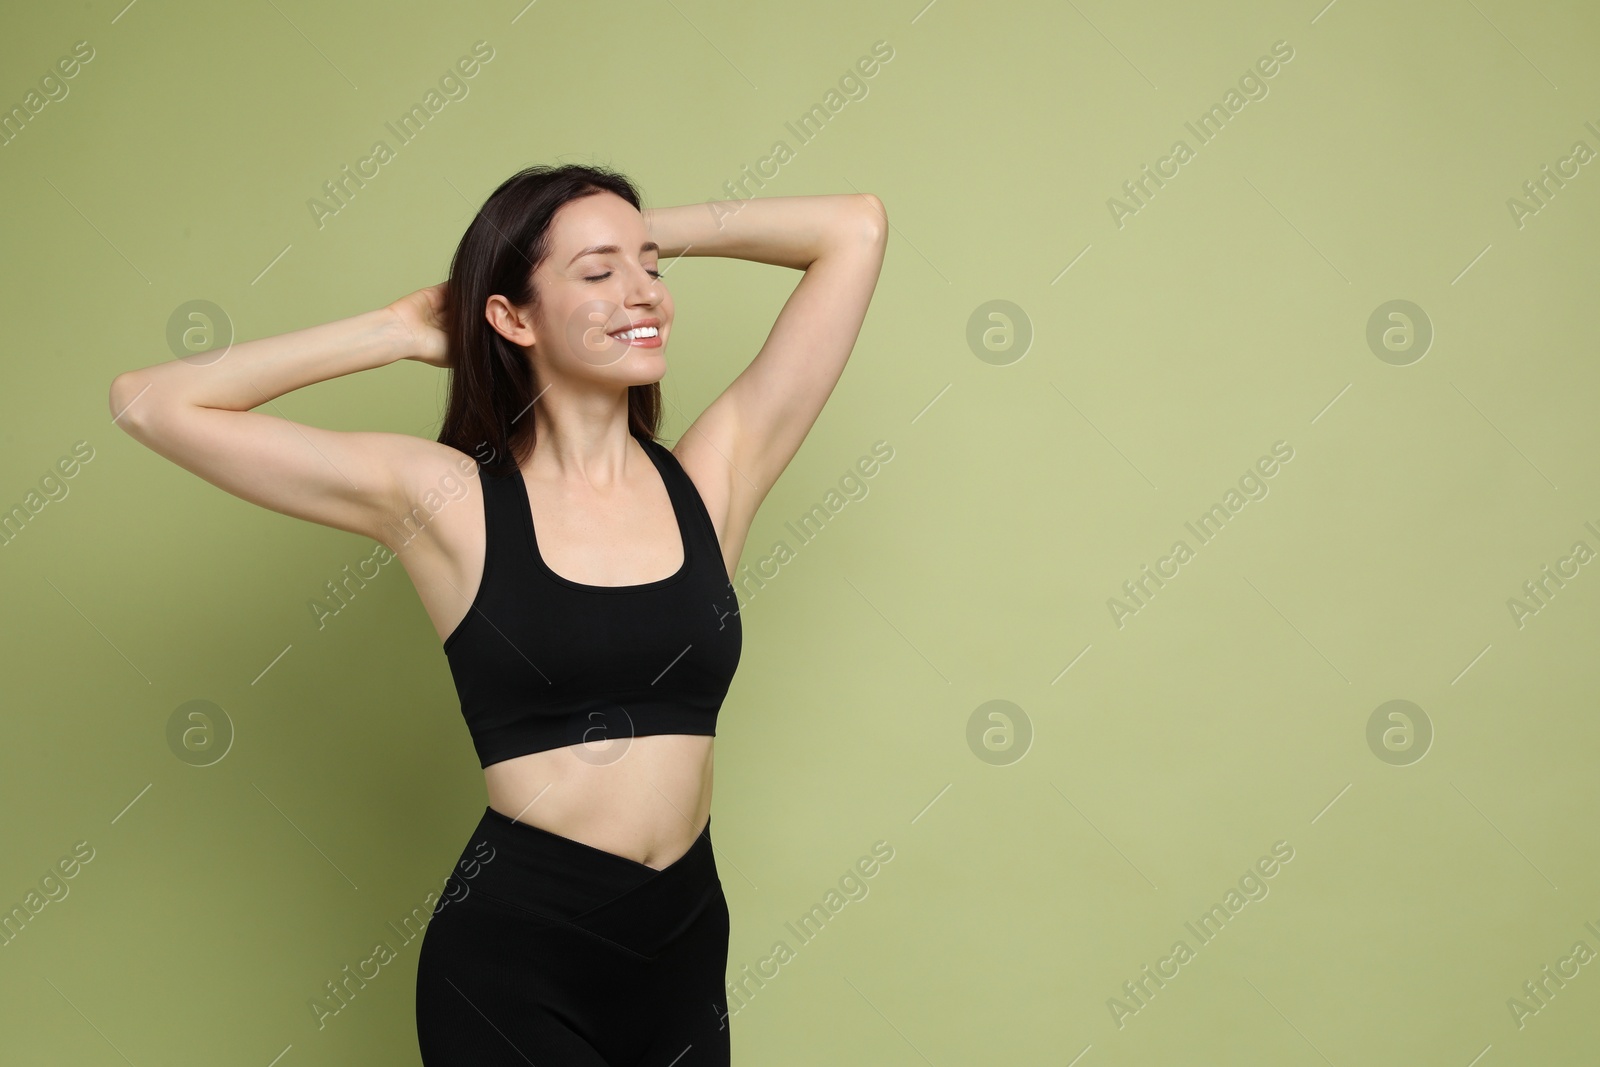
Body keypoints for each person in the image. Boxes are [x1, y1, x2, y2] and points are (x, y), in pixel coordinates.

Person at [107, 163, 888, 1065]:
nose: (643, 294)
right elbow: (150, 401)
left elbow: (854, 229)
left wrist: (631, 235)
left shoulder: (712, 479)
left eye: (653, 269)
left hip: (683, 948)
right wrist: (395, 329)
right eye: (596, 275)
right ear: (512, 316)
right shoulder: (445, 502)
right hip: (519, 960)